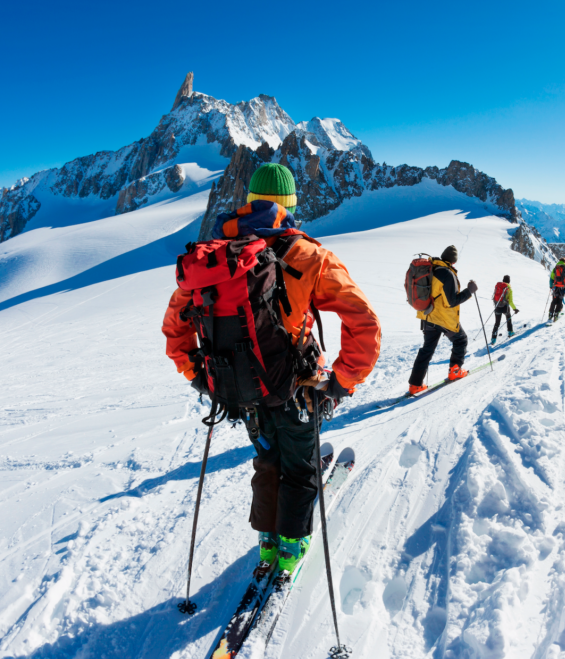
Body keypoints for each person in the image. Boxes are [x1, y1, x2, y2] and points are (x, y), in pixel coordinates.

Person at [162, 163, 381, 578]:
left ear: (248, 203)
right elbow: (364, 323)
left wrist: (201, 378)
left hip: (240, 390)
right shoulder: (307, 255)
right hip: (298, 387)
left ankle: (267, 541)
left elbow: (176, 328)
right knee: (300, 466)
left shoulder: (213, 259)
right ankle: (291, 546)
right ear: (291, 205)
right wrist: (339, 383)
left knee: (267, 460)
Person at [408, 245, 477, 394]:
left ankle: (415, 385)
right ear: (454, 261)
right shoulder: (447, 274)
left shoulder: (431, 268)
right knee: (461, 340)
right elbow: (452, 301)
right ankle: (455, 371)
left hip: (427, 316)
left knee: (427, 349)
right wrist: (469, 291)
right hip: (442, 319)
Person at [490, 275, 519, 344]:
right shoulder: (509, 288)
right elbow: (510, 301)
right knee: (508, 319)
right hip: (505, 307)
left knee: (497, 323)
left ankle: (493, 339)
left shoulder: (498, 286)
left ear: (503, 280)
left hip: (497, 307)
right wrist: (515, 309)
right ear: (509, 281)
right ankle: (510, 332)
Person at [548, 258, 565, 322]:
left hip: (556, 287)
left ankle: (550, 314)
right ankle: (556, 314)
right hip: (563, 287)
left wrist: (551, 286)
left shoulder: (555, 269)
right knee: (560, 300)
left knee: (554, 300)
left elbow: (551, 279)